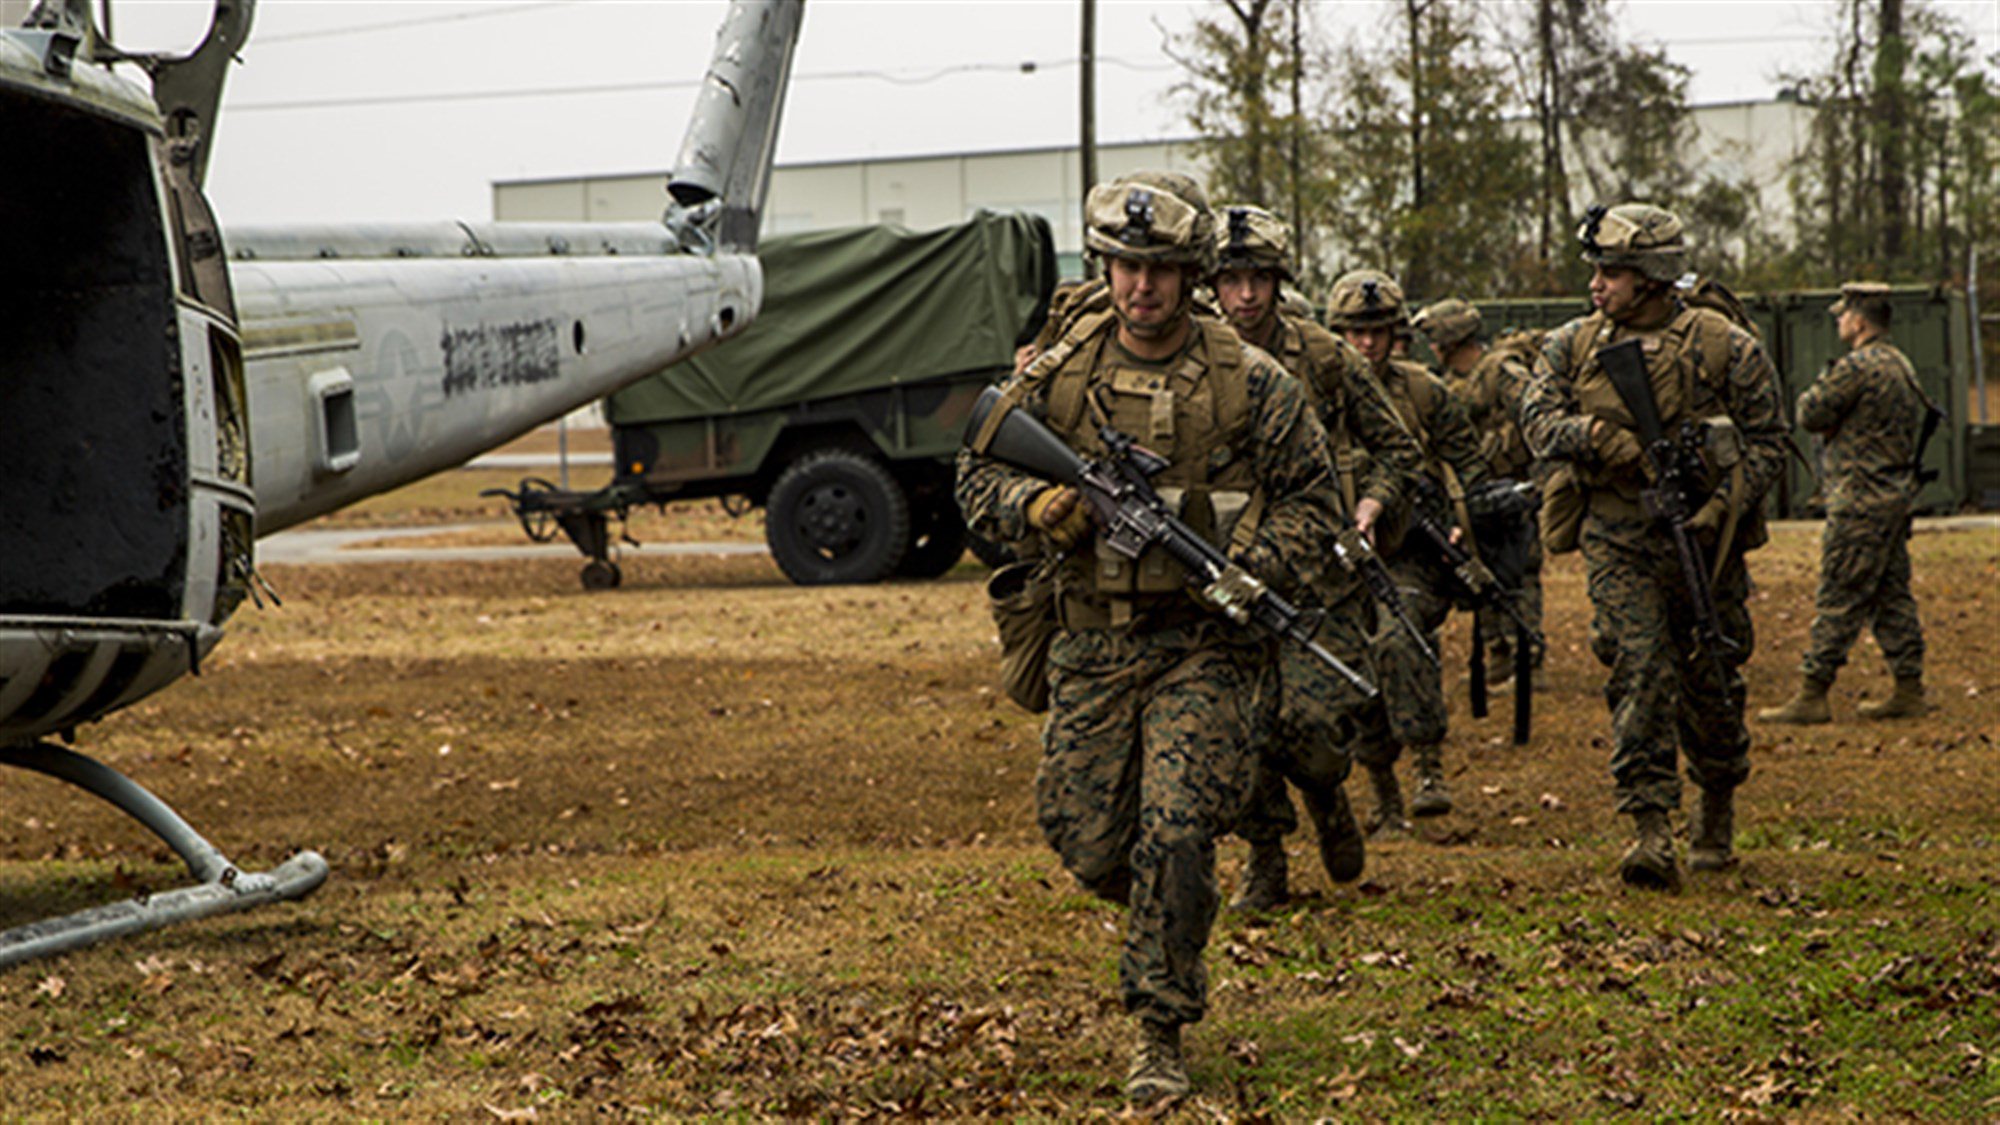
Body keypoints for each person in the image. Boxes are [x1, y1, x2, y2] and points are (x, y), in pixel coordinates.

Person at [956, 172, 1343, 1102]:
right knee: (1089, 841)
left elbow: (1316, 507)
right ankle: (1176, 907)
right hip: (1088, 645)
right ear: (1106, 266)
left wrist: (1256, 560)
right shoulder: (1058, 372)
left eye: (1162, 269)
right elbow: (975, 479)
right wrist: (1036, 503)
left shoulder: (1253, 381)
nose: (1143, 288)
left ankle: (1158, 1026)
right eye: (1128, 267)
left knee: (1173, 830)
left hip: (1202, 648)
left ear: (1191, 273)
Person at [1520, 203, 1786, 888]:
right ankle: (1649, 827)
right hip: (1618, 532)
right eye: (1598, 270)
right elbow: (1538, 422)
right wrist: (1600, 439)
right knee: (1638, 668)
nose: (1598, 284)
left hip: (1707, 542)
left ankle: (1717, 800)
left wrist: (1724, 503)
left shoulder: (1723, 343)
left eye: (1613, 271)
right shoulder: (1573, 345)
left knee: (1712, 676)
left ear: (1654, 276)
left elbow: (1771, 441)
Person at [1209, 204, 1423, 911]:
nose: (1246, 295)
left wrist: (1371, 507)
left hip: (1318, 575)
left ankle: (1328, 797)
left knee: (1311, 725)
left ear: (1279, 281)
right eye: (1232, 278)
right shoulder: (1191, 357)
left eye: (1259, 279)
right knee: (1238, 725)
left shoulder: (1325, 357)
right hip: (1228, 570)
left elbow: (1397, 449)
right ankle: (1265, 856)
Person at [1327, 270, 1490, 835]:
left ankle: (1427, 767)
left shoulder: (1423, 390)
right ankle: (1383, 793)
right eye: (1355, 332)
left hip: (1407, 550)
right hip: (1336, 556)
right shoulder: (1312, 393)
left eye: (1376, 330)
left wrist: (1460, 524)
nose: (1367, 343)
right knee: (1355, 663)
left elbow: (1469, 463)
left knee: (1400, 639)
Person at [1758, 281, 1932, 724]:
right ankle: (1909, 687)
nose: (1838, 321)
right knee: (1890, 595)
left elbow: (1810, 413)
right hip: (1891, 499)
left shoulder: (1857, 368)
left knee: (1838, 594)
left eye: (1842, 315)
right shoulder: (1900, 364)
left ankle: (1812, 692)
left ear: (1858, 321)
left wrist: (1821, 381)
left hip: (1859, 501)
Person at [1413, 299, 1547, 688]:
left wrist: (1501, 446)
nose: (1430, 344)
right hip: (1473, 494)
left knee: (1520, 572)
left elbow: (1535, 414)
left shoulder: (1498, 370)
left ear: (1451, 337)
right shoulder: (1450, 380)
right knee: (1482, 571)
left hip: (1511, 491)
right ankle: (1500, 653)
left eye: (1433, 336)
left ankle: (1529, 661)